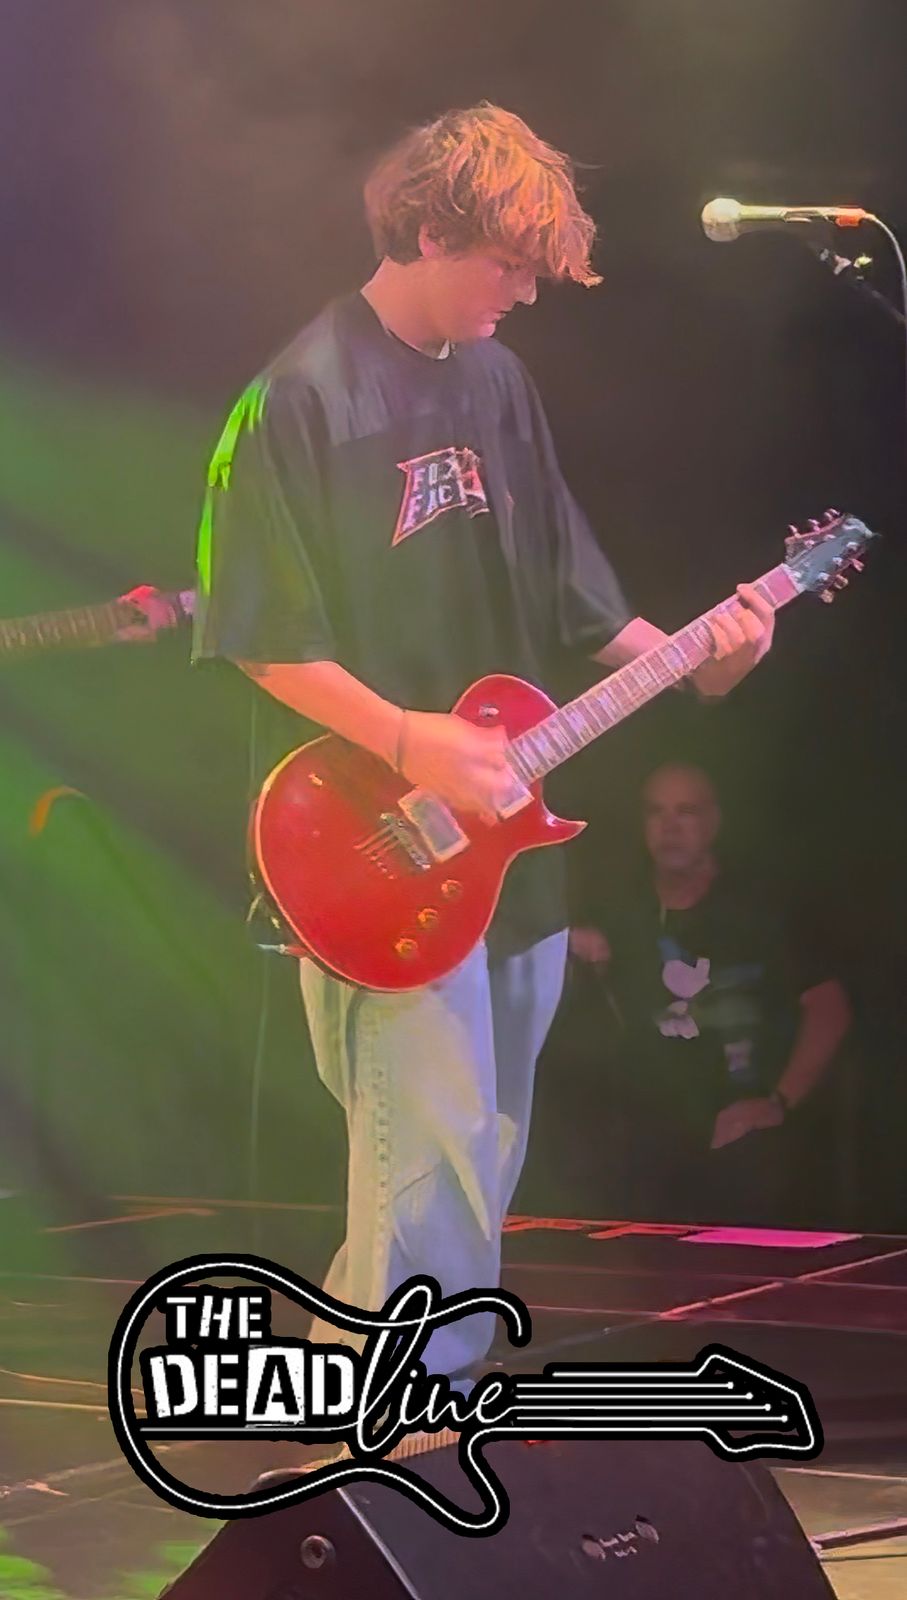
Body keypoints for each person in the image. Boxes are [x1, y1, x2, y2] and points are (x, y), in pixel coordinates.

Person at [190, 104, 773, 1385]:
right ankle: (410, 1420)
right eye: (508, 263)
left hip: (509, 843)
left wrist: (696, 654)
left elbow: (571, 594)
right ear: (430, 232)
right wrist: (410, 739)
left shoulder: (499, 383)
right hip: (379, 845)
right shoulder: (300, 397)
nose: (526, 291)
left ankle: (366, 1398)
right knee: (429, 1158)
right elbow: (256, 636)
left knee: (477, 1151)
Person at [570, 762, 852, 1224]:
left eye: (686, 812)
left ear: (713, 821)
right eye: (656, 812)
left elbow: (829, 1008)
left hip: (747, 1145)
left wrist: (778, 1102)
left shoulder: (760, 908)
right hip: (646, 1153)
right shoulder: (620, 908)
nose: (670, 828)